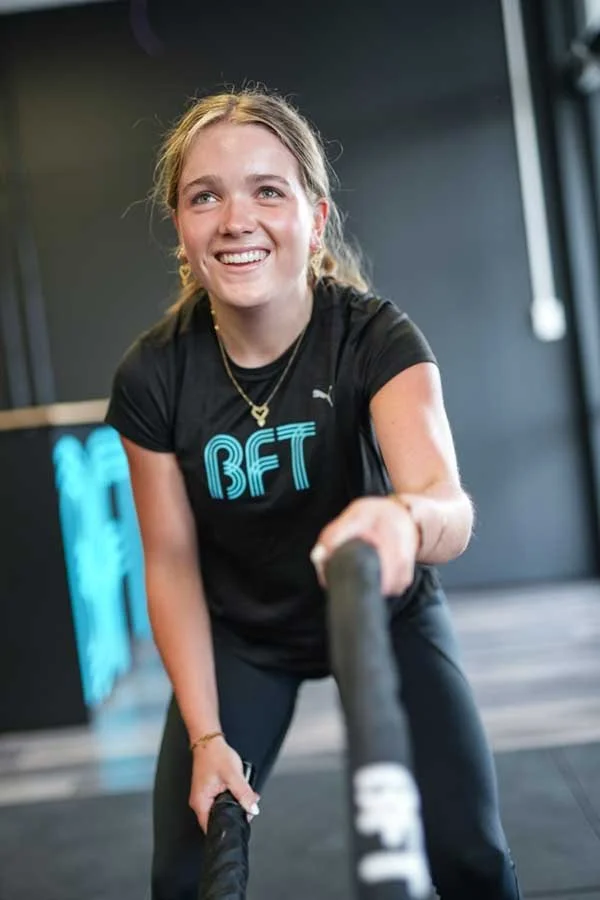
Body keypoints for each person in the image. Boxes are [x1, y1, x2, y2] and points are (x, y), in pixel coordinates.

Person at [106, 87, 521, 900]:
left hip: (383, 614)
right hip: (247, 639)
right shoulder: (155, 375)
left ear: (314, 216)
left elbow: (448, 504)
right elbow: (170, 563)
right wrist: (206, 734)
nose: (236, 218)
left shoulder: (374, 336)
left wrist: (403, 521)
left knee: (469, 856)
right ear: (182, 232)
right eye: (205, 196)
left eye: (268, 189)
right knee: (184, 876)